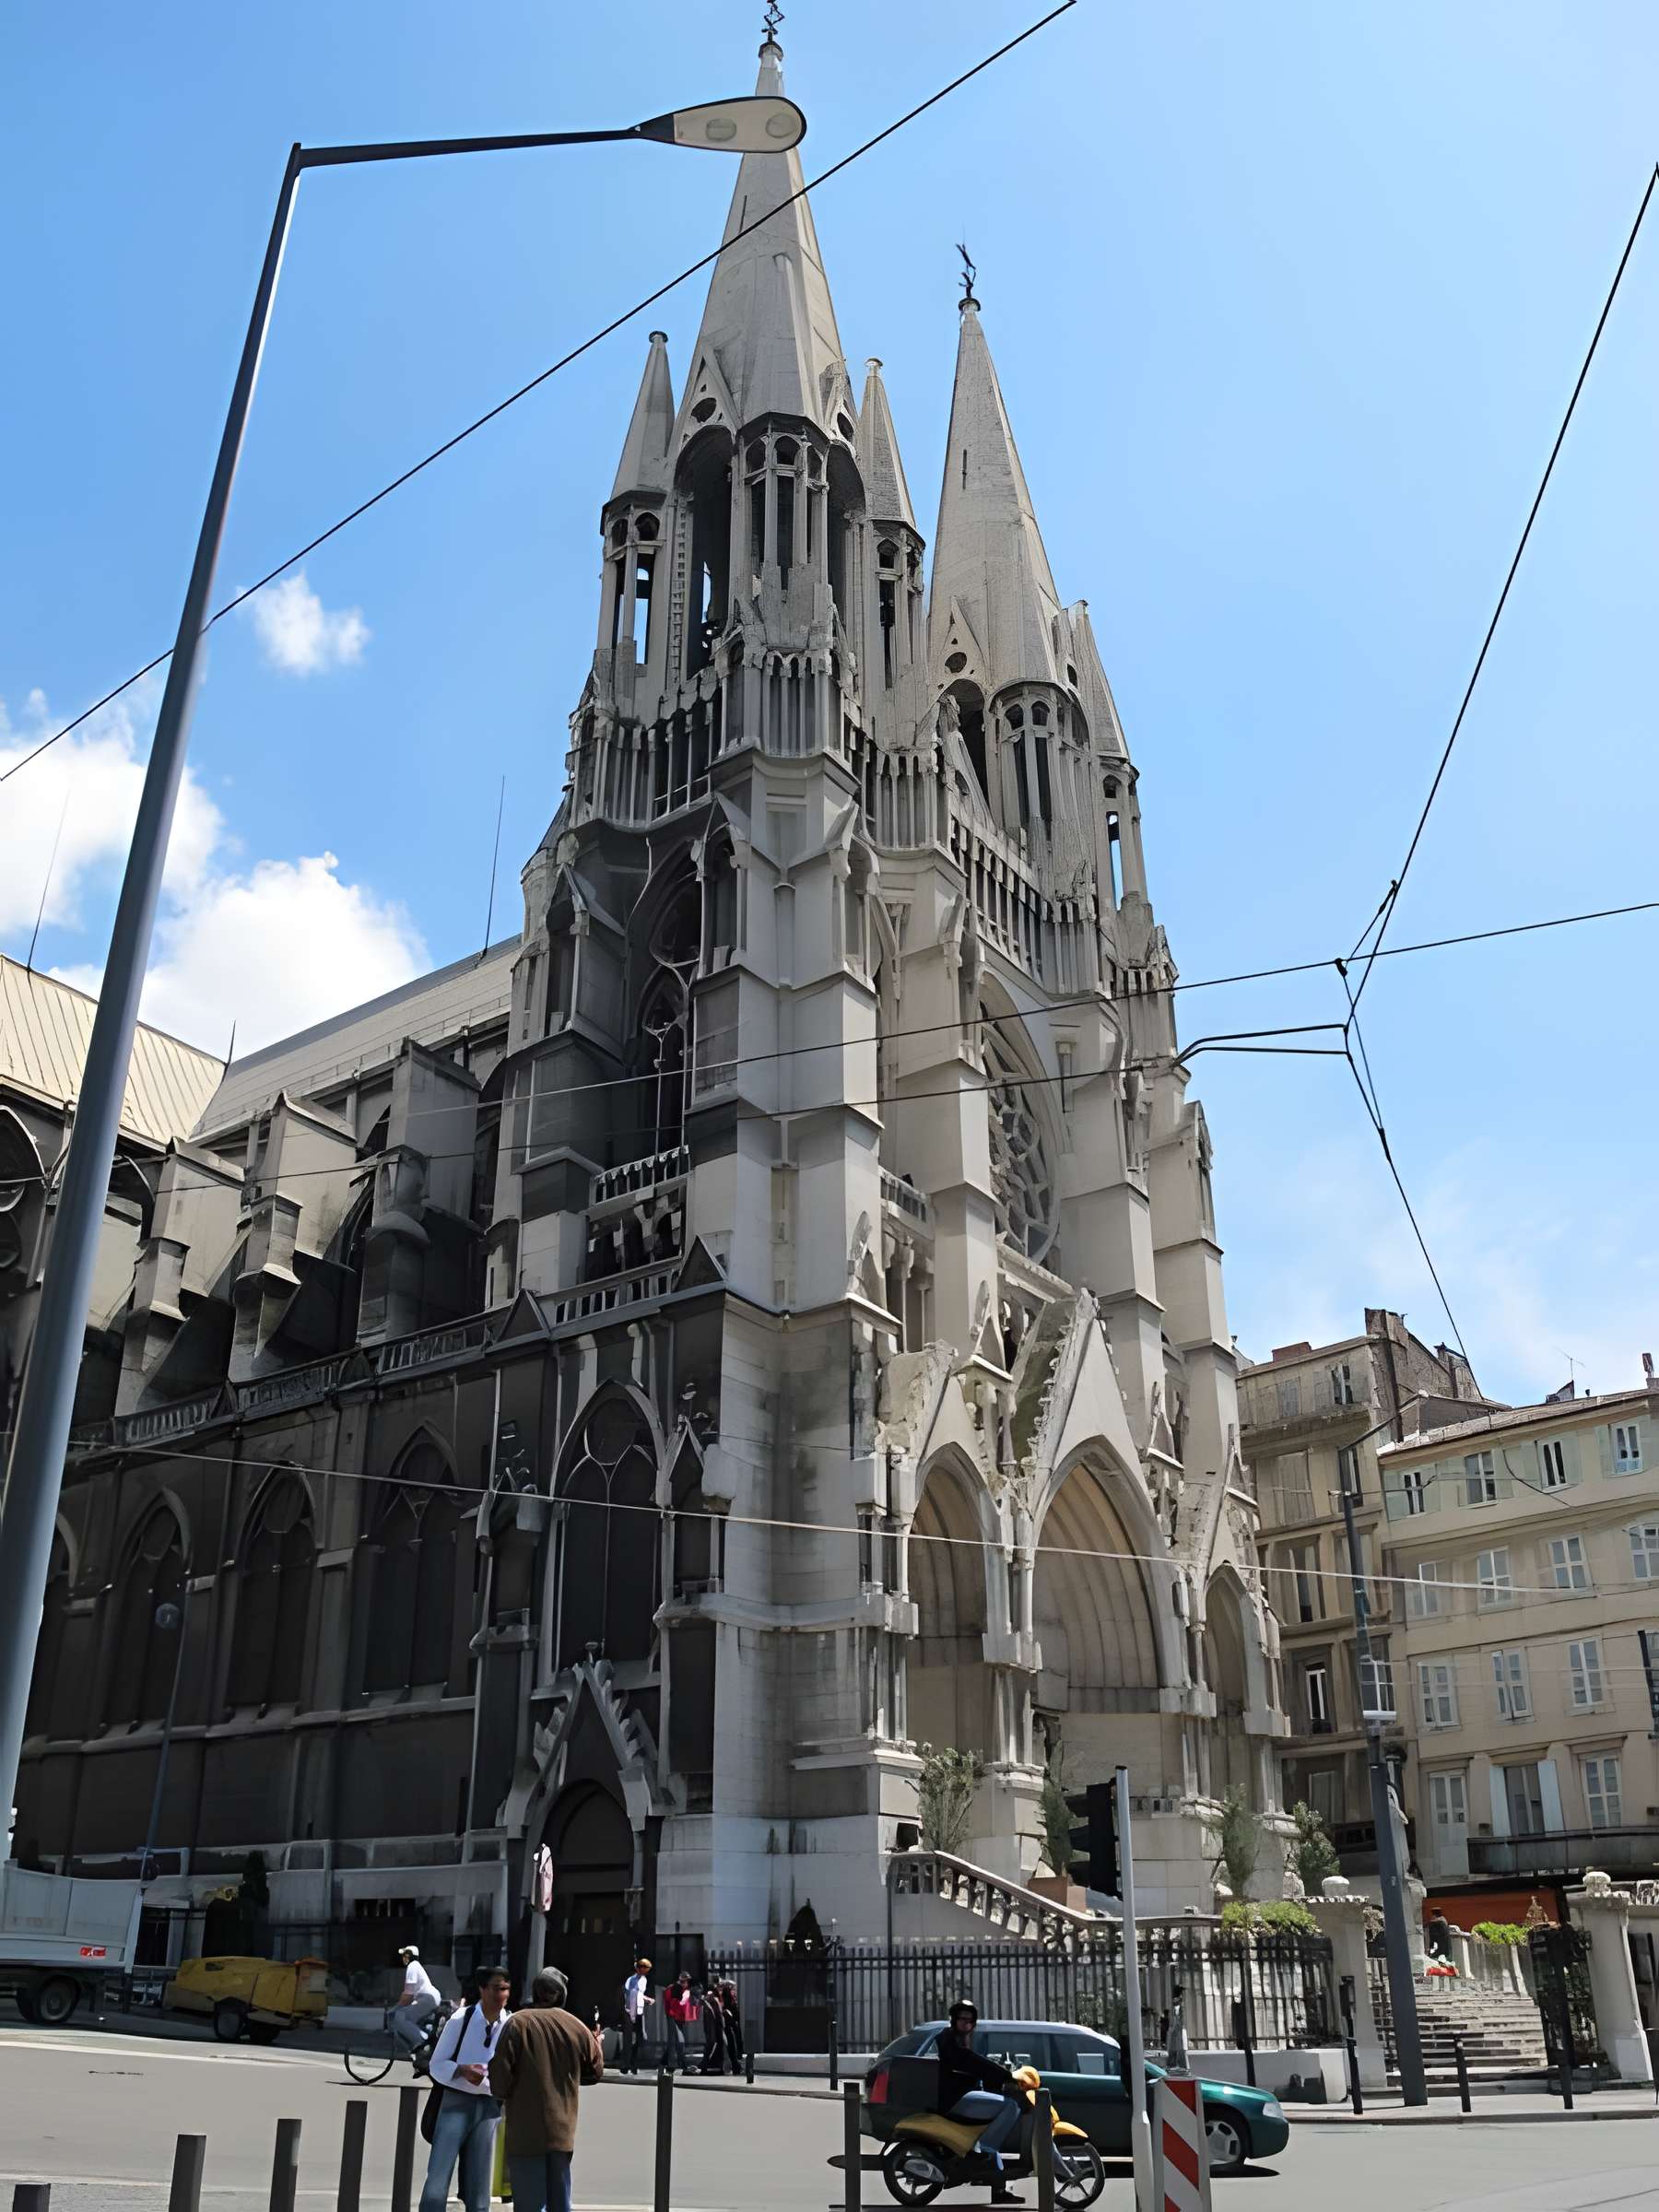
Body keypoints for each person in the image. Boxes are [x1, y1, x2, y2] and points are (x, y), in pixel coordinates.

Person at [488, 1965, 603, 2212]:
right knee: (560, 2203)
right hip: (562, 2133)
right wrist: (594, 2043)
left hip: (525, 2133)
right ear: (561, 1995)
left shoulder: (517, 2023)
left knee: (530, 2204)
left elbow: (499, 2080)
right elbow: (595, 2072)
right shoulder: (577, 2027)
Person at [418, 1967, 512, 2212]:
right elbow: (437, 2064)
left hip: (490, 2106)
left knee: (480, 2183)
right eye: (495, 1988)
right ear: (482, 1990)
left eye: (505, 1989)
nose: (500, 1995)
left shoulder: (510, 2023)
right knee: (439, 2176)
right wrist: (462, 2070)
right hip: (456, 2103)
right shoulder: (462, 2019)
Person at [937, 1997, 1024, 2206]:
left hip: (965, 2095)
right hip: (957, 2100)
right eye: (962, 2019)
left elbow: (975, 2066)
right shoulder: (948, 2038)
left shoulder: (962, 2038)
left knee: (993, 2127)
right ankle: (983, 2153)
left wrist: (1000, 2078)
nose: (966, 2024)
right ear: (953, 2020)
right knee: (1009, 2107)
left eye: (970, 2020)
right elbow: (970, 2061)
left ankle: (1000, 2190)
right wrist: (1005, 2075)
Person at [393, 1945, 442, 2070]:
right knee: (411, 2020)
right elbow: (408, 1996)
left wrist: (395, 2009)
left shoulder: (412, 1966)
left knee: (401, 2016)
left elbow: (408, 1994)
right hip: (427, 1998)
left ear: (409, 1956)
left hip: (427, 1998)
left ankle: (423, 2045)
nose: (403, 1958)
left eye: (405, 1955)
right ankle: (422, 2050)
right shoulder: (416, 1966)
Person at [620, 1958, 653, 2075]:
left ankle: (633, 2063)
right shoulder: (631, 1980)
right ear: (640, 1969)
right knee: (629, 2039)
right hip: (630, 2010)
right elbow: (631, 1996)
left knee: (641, 2038)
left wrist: (646, 1999)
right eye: (645, 1969)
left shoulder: (643, 1980)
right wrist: (632, 2014)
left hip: (639, 2011)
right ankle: (626, 2065)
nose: (646, 1971)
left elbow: (639, 1994)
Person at [663, 1971, 700, 2075]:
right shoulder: (673, 1989)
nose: (686, 1983)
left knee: (677, 2042)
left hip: (680, 2018)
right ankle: (677, 2065)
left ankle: (666, 2064)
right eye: (684, 1981)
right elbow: (670, 2003)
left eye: (687, 1981)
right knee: (678, 2042)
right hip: (673, 2017)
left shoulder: (685, 1990)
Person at [699, 1981, 725, 2075]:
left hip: (716, 2026)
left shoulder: (715, 1999)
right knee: (711, 2045)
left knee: (716, 2045)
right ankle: (704, 2065)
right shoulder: (710, 1999)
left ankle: (710, 2065)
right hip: (713, 2027)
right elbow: (713, 2014)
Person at [719, 1980, 744, 2075]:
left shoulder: (731, 1998)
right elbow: (728, 2012)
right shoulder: (727, 1997)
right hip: (730, 2026)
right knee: (732, 2046)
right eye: (733, 1988)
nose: (735, 1991)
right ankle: (735, 2066)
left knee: (734, 2046)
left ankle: (735, 2065)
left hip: (733, 2025)